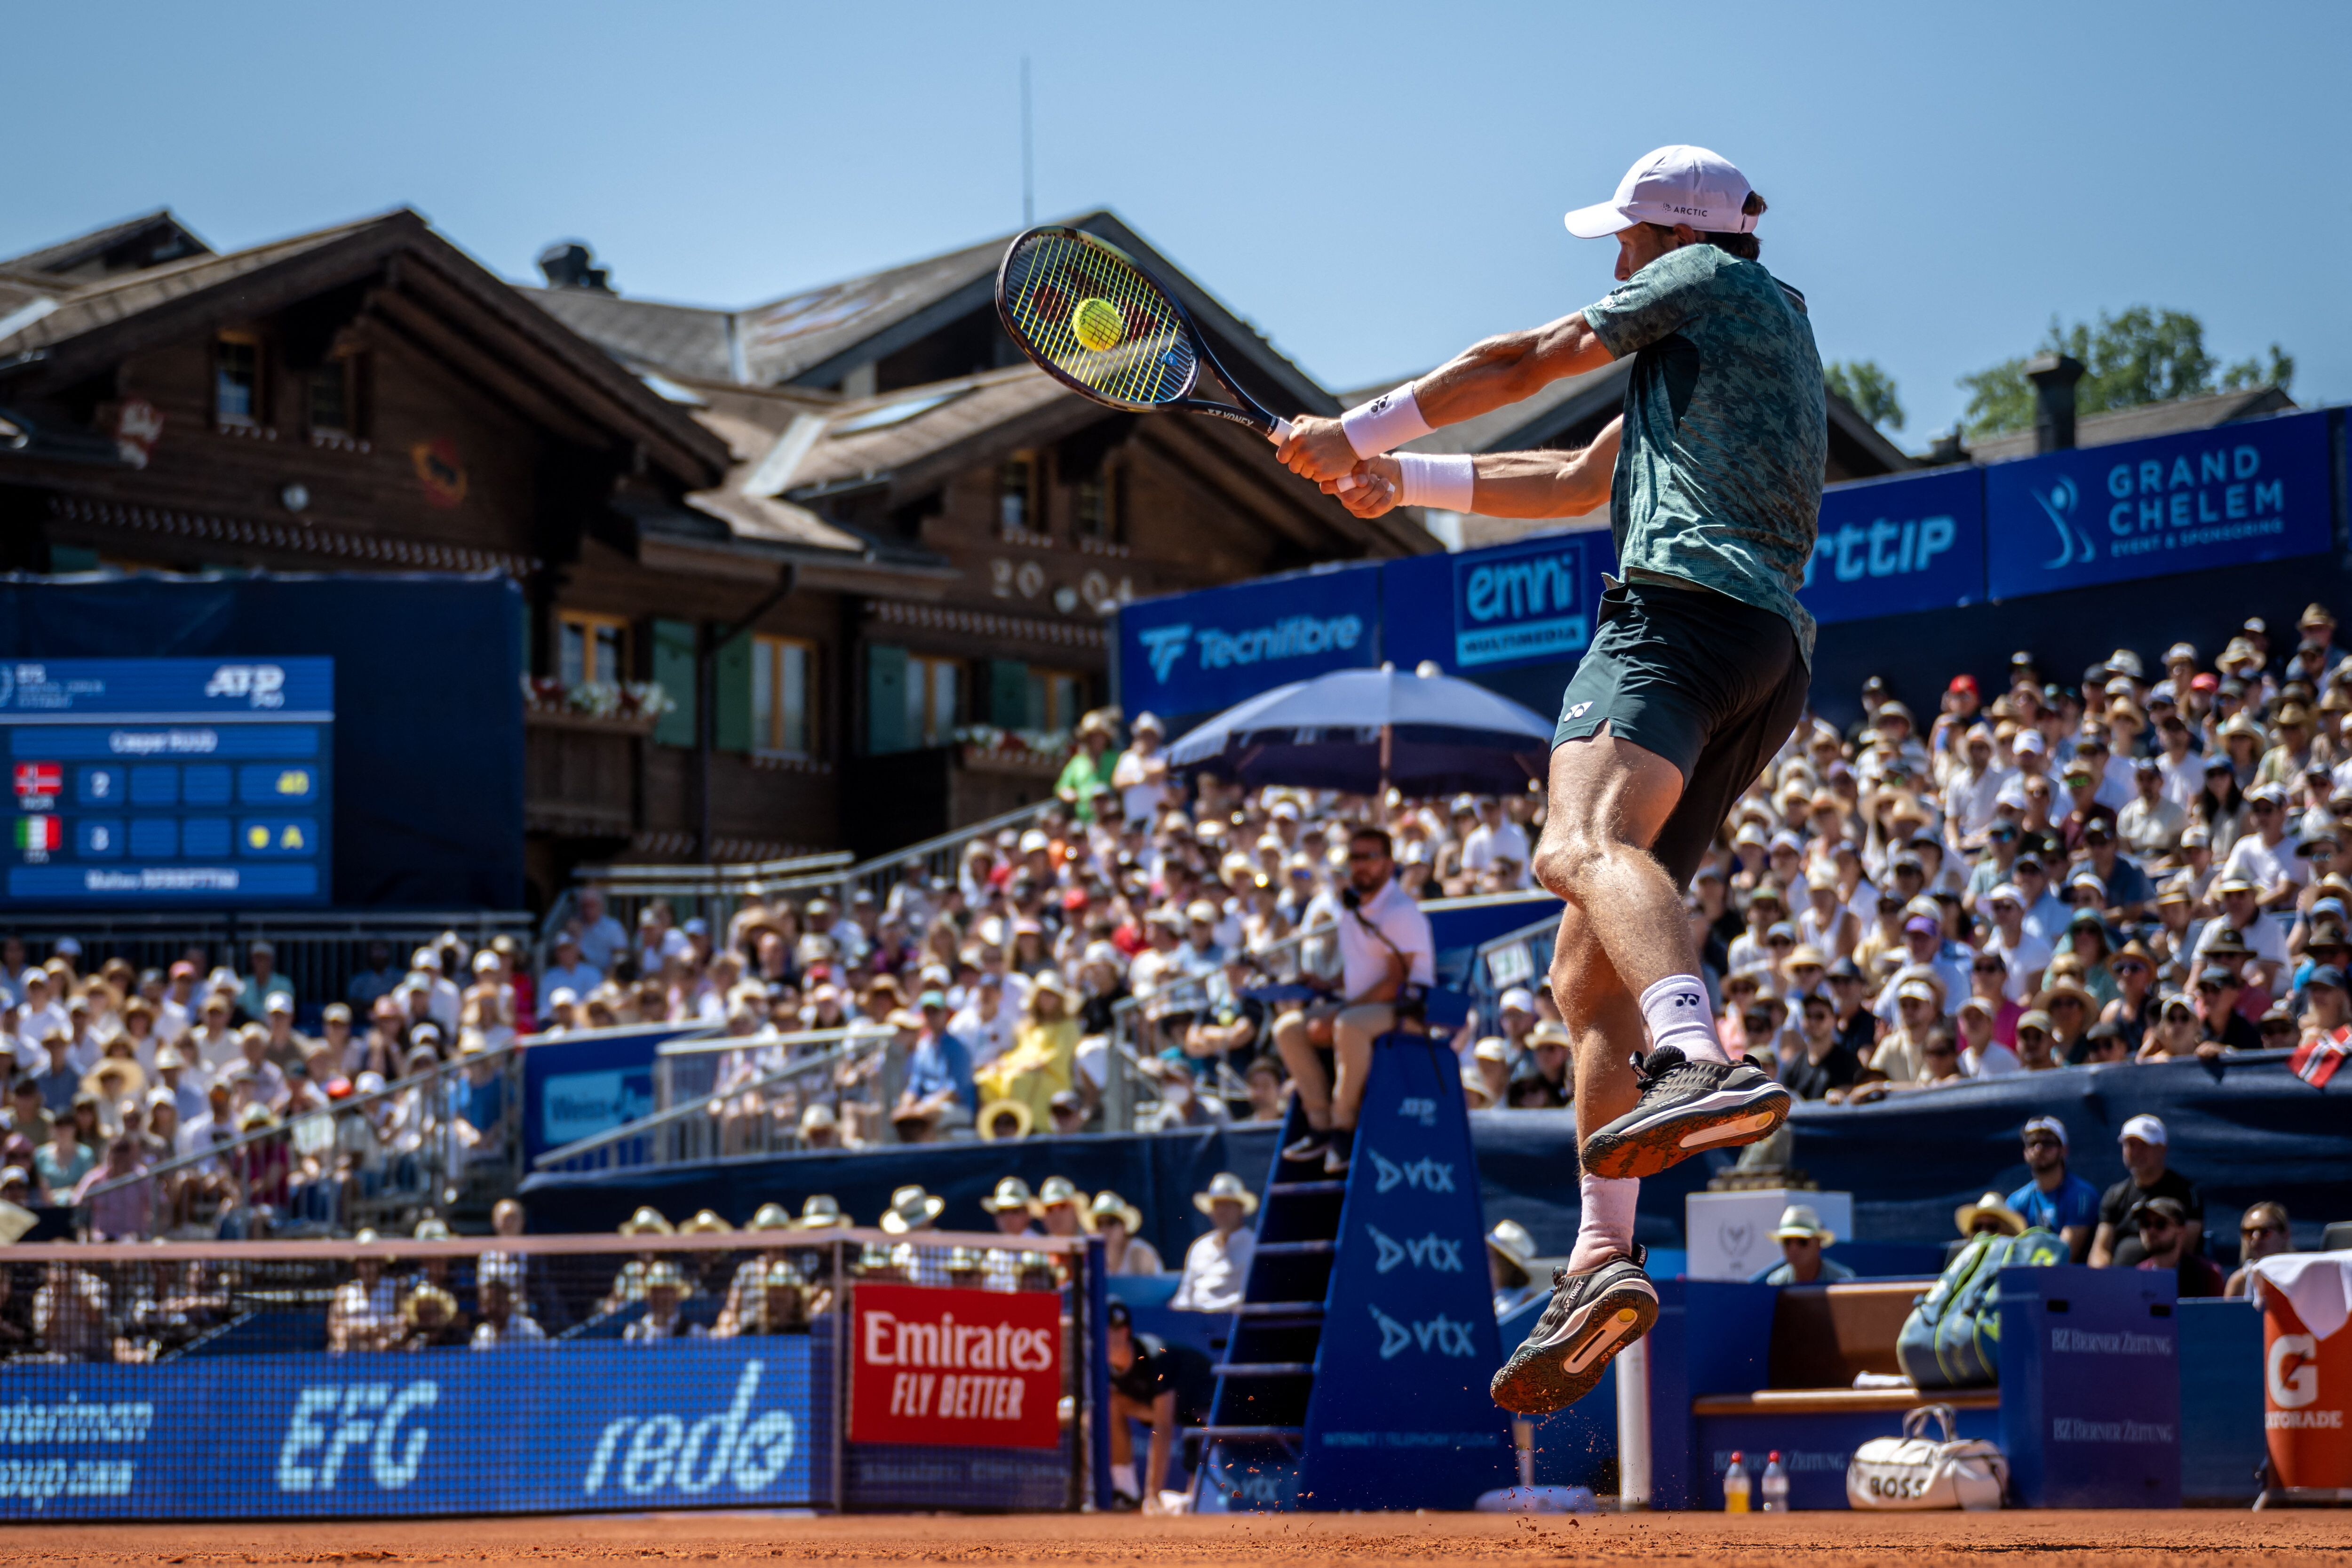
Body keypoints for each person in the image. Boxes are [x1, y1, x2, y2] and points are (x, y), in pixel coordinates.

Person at [1287, 148, 1813, 1415]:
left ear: (1669, 237)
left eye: (1622, 237)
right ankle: (1600, 1255)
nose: (1614, 257)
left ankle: (1702, 1057)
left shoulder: (1698, 282)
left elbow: (1527, 359)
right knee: (1588, 967)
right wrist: (1394, 482)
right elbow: (1578, 481)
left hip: (1674, 625)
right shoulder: (1731, 350)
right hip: (1765, 654)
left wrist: (1360, 425)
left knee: (1572, 843)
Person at [1270, 826, 1433, 1175]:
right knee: (1288, 1027)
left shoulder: (1400, 910)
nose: (1360, 866)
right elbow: (1361, 972)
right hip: (1366, 1007)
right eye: (1355, 857)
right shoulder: (1351, 909)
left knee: (1348, 1025)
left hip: (1411, 1010)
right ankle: (1321, 1125)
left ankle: (1344, 1128)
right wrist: (1326, 983)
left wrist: (1343, 1008)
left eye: (1369, 857)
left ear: (1389, 864)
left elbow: (1394, 982)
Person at [2090, 1114, 2203, 1267]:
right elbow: (2100, 1249)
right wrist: (2107, 1279)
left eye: (2144, 1145)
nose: (2136, 1152)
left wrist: (2151, 1276)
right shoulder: (2114, 1195)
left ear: (2163, 1149)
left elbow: (2186, 1250)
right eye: (2130, 1145)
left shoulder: (2186, 1193)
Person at [1104, 1297, 1179, 1512]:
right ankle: (1126, 1491)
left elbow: (1163, 1425)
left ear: (1125, 1332)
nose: (1106, 1336)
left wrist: (1152, 1495)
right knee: (1110, 1404)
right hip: (1157, 1410)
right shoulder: (1096, 1363)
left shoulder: (1155, 1357)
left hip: (1202, 1405)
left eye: (1111, 1330)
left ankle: (1153, 1498)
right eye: (1102, 1329)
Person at [2006, 1115, 2099, 1262]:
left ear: (2064, 1150)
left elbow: (2063, 1255)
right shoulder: (2016, 1201)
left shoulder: (2082, 1195)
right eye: (2032, 1143)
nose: (2039, 1149)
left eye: (2048, 1143)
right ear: (2025, 1153)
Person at [1169, 1172, 1256, 1313]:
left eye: (1227, 1205)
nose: (1221, 1211)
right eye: (1217, 1205)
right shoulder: (1200, 1247)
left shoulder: (1253, 1245)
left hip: (1232, 1322)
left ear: (1241, 1210)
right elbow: (1185, 1295)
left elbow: (1246, 1297)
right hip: (1195, 1322)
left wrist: (1209, 1309)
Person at [2131, 1197, 2225, 1299]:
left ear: (2181, 1230)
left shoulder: (2208, 1274)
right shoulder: (2139, 1273)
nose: (2151, 1231)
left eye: (2161, 1224)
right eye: (2145, 1224)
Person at [1753, 1204, 1852, 1285]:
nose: (1794, 1248)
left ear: (1818, 1244)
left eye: (1802, 1241)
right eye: (1787, 1242)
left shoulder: (1843, 1281)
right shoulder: (1776, 1283)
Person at [2225, 1202, 2293, 1298]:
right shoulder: (2239, 1282)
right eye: (2249, 1233)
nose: (2256, 1237)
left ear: (2285, 1235)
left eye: (2265, 1232)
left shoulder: (2299, 1277)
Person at [1090, 1191, 1163, 1275]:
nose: (1104, 1229)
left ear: (1124, 1226)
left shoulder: (1139, 1254)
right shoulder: (1092, 1257)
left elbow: (1146, 1287)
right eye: (1099, 1224)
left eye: (1111, 1222)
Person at [1487, 1219, 1544, 1316]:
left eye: (1492, 1257)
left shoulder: (1526, 1297)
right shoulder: (1484, 1293)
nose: (1486, 1262)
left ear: (1508, 1265)